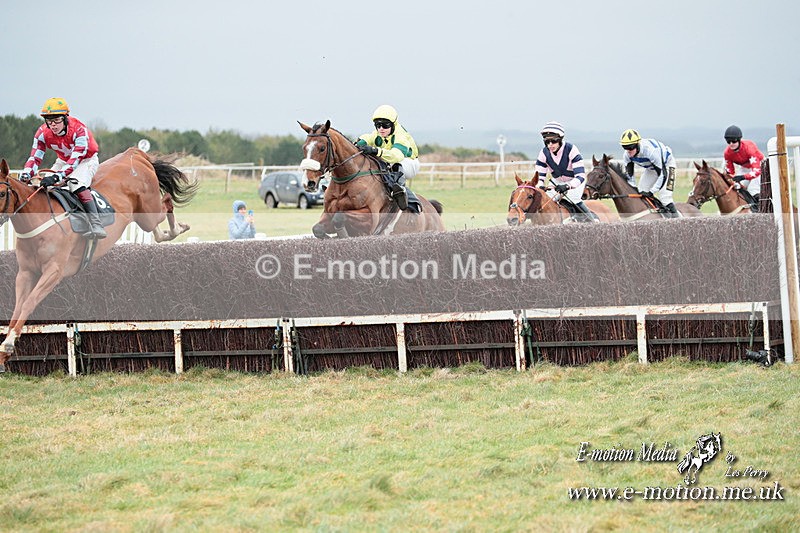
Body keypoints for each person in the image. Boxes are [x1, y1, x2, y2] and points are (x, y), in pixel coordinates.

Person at [21, 97, 107, 238]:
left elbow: (75, 161)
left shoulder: (79, 129)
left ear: (66, 118)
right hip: (63, 160)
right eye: (49, 121)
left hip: (85, 160)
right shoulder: (42, 133)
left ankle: (96, 223)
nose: (53, 125)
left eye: (56, 121)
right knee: (46, 187)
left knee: (75, 183)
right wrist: (26, 173)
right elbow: (35, 157)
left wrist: (56, 176)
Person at [354, 104, 419, 211]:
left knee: (396, 164)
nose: (381, 129)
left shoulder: (400, 136)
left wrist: (376, 150)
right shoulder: (379, 133)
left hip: (409, 163)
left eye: (385, 125)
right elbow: (368, 137)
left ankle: (400, 192)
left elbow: (396, 156)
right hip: (393, 161)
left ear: (393, 124)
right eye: (378, 125)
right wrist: (359, 142)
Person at [534, 121, 598, 222]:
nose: (550, 145)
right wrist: (540, 185)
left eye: (553, 141)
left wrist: (568, 186)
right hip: (557, 183)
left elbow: (580, 176)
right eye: (547, 142)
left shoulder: (571, 149)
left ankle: (592, 221)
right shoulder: (543, 153)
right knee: (544, 201)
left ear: (560, 139)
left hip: (575, 182)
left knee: (573, 198)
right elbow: (539, 177)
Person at [619, 129, 679, 218]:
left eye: (631, 147)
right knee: (641, 191)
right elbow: (630, 175)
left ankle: (678, 222)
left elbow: (663, 174)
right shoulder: (627, 155)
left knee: (665, 198)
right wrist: (634, 188)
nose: (628, 151)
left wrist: (652, 191)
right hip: (651, 168)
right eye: (625, 147)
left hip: (666, 166)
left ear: (637, 144)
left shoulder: (650, 151)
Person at [723, 125, 763, 206]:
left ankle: (760, 208)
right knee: (737, 186)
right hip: (745, 168)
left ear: (739, 140)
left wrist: (743, 177)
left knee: (753, 189)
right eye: (728, 141)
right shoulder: (727, 153)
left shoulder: (749, 148)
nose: (731, 144)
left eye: (733, 141)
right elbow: (730, 172)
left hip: (759, 166)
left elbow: (756, 171)